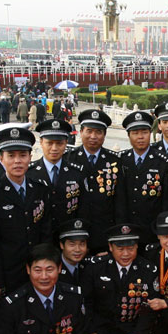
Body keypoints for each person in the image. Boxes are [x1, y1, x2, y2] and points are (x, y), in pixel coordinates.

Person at [0, 126, 51, 298]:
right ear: (1, 159)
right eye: (11, 156)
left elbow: (45, 231)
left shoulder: (40, 188)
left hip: (37, 270)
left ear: (30, 157)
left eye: (22, 155)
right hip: (8, 272)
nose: (17, 161)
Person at [80, 224, 159, 334]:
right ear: (110, 247)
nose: (125, 254)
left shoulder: (148, 270)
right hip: (101, 323)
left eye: (130, 248)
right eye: (120, 249)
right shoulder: (96, 267)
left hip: (129, 324)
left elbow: (149, 307)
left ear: (137, 247)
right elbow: (86, 302)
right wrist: (90, 332)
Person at [65, 109, 122, 254]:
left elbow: (119, 203)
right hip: (74, 238)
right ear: (81, 131)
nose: (93, 136)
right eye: (89, 131)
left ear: (104, 135)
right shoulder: (68, 159)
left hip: (104, 236)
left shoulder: (114, 161)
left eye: (98, 132)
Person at [116, 111, 168, 245]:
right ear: (129, 136)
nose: (140, 137)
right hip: (127, 230)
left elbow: (167, 201)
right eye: (135, 133)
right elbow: (119, 199)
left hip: (153, 230)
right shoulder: (122, 160)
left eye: (144, 132)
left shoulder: (163, 161)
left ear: (150, 133)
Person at [28, 120, 88, 238]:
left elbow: (83, 210)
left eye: (59, 143)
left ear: (66, 143)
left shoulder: (77, 172)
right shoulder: (29, 173)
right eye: (49, 143)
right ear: (41, 142)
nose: (54, 148)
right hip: (38, 240)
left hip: (68, 238)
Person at [57, 219, 89, 286]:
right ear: (62, 245)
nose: (77, 250)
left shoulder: (90, 265)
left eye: (82, 244)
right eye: (72, 244)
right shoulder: (54, 267)